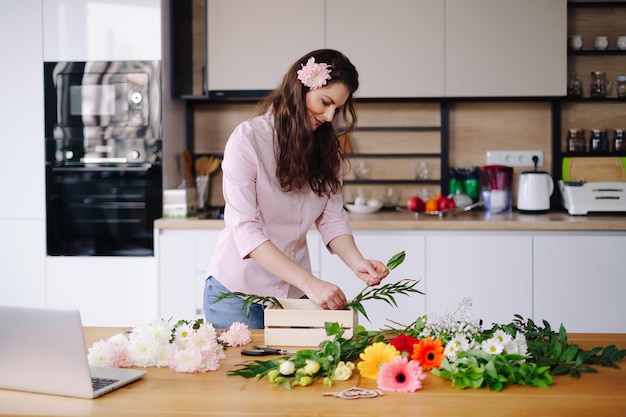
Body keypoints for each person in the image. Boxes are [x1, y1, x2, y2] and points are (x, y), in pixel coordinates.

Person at [203, 49, 390, 329]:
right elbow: (246, 231)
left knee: (298, 372)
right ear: (300, 87)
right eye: (325, 102)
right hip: (237, 296)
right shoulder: (249, 140)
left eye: (337, 109)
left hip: (293, 296)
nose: (329, 116)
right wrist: (310, 283)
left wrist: (356, 261)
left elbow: (332, 218)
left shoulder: (327, 151)